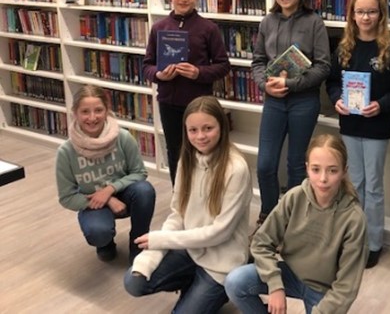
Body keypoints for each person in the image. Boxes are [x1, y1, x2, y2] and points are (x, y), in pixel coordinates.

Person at [124, 96, 252, 313]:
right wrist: (153, 255)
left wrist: (161, 239)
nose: (200, 136)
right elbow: (178, 214)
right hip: (191, 250)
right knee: (134, 281)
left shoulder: (236, 169)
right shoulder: (187, 159)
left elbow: (220, 233)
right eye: (193, 130)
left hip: (221, 263)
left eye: (208, 128)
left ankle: (219, 290)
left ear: (222, 126)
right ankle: (192, 283)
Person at [224, 133, 368, 314]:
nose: (323, 179)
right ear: (307, 168)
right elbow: (261, 242)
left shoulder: (354, 219)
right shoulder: (294, 197)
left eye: (332, 171)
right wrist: (275, 285)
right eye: (316, 169)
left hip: (324, 290)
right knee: (235, 281)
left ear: (344, 171)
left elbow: (347, 286)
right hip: (290, 274)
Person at [325, 0, 390, 268]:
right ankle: (353, 239)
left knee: (373, 186)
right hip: (349, 124)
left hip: (377, 127)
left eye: (371, 12)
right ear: (352, 14)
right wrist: (337, 99)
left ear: (381, 14)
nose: (365, 17)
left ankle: (373, 243)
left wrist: (381, 105)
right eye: (360, 12)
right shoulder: (344, 48)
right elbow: (332, 82)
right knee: (353, 184)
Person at [251, 0, 331, 229]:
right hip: (274, 101)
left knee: (296, 164)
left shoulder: (314, 22)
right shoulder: (267, 21)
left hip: (303, 102)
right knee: (265, 164)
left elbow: (323, 66)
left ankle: (291, 219)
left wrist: (292, 83)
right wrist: (264, 85)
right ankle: (268, 215)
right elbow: (258, 61)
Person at [143, 0, 230, 185]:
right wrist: (159, 75)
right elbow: (146, 66)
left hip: (200, 104)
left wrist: (198, 73)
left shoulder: (208, 28)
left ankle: (206, 195)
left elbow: (223, 66)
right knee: (175, 152)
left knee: (204, 152)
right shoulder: (158, 28)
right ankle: (179, 196)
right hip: (169, 103)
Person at [55, 85, 156, 264]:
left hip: (125, 195)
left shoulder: (123, 137)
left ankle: (138, 245)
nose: (92, 117)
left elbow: (139, 173)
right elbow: (67, 197)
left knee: (145, 190)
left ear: (107, 110)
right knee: (98, 233)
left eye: (98, 110)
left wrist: (109, 189)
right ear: (75, 113)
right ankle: (105, 243)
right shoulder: (66, 151)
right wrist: (107, 199)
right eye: (85, 111)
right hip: (93, 202)